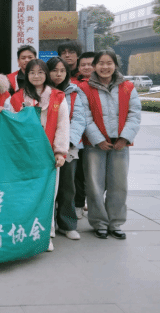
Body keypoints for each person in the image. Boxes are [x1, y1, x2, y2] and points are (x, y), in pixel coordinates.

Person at [78, 50, 141, 240]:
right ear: (94, 66)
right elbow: (85, 116)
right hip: (95, 145)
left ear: (115, 65)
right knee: (94, 185)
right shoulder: (84, 88)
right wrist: (98, 139)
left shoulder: (128, 87)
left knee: (119, 185)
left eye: (109, 63)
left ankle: (115, 223)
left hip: (120, 144)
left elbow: (135, 114)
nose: (105, 67)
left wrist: (124, 138)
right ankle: (99, 223)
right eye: (101, 63)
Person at [8, 59, 70, 252]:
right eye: (32, 72)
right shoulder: (17, 98)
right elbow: (11, 126)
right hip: (25, 156)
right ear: (26, 75)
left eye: (40, 72)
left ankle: (46, 235)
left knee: (48, 196)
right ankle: (25, 233)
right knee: (26, 196)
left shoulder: (58, 97)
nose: (36, 76)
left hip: (49, 156)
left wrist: (60, 151)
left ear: (46, 74)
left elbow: (63, 126)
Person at [47, 56, 86, 241]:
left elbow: (79, 119)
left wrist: (66, 143)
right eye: (54, 70)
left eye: (62, 71)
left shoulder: (74, 92)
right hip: (45, 147)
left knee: (67, 186)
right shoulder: (43, 92)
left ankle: (67, 224)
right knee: (47, 188)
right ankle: (48, 225)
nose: (58, 74)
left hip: (69, 148)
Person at [73, 51, 96, 218]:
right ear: (78, 67)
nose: (87, 67)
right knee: (80, 174)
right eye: (83, 65)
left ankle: (95, 204)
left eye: (90, 64)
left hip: (101, 139)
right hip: (82, 138)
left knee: (97, 176)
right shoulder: (75, 86)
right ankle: (79, 204)